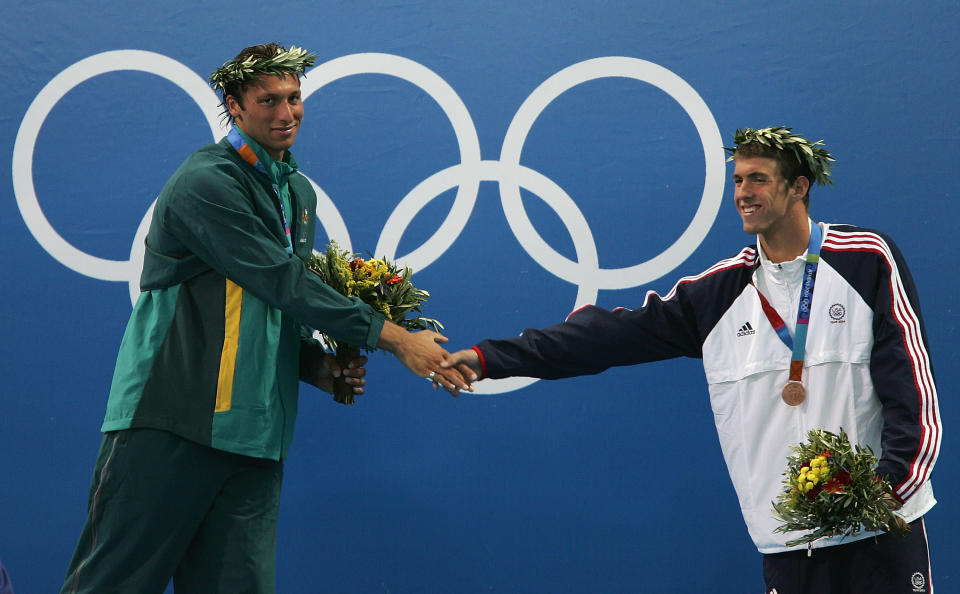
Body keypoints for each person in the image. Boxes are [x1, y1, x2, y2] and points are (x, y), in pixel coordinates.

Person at [444, 126, 941, 593]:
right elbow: (605, 337)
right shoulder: (718, 295)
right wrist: (491, 358)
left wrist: (879, 498)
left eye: (759, 179)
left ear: (798, 188)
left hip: (880, 533)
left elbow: (913, 395)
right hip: (788, 545)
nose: (744, 192)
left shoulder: (866, 259)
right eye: (738, 180)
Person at [59, 42, 470, 594]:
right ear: (234, 104)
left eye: (295, 98)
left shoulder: (296, 191)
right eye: (269, 98)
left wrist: (317, 368)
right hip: (170, 423)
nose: (287, 112)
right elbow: (281, 279)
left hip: (255, 437)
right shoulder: (205, 181)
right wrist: (396, 339)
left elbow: (275, 306)